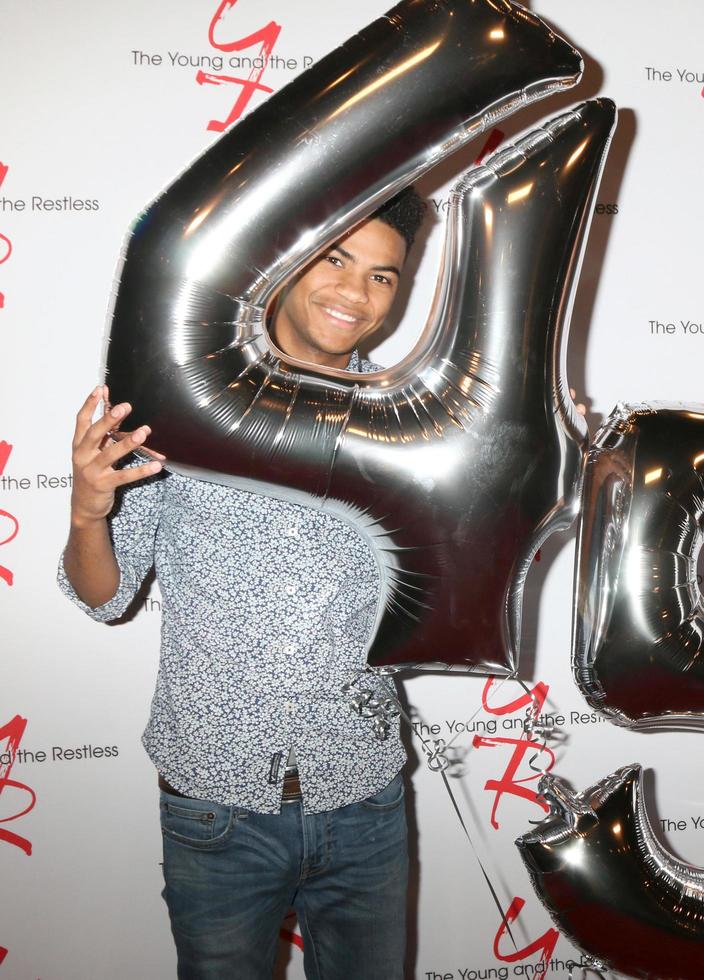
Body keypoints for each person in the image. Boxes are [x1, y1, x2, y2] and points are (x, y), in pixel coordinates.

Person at [59, 189, 428, 980]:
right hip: (214, 804)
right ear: (290, 260)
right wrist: (90, 511)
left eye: (382, 277)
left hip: (364, 794)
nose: (354, 294)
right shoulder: (181, 403)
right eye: (336, 260)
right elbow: (105, 596)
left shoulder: (413, 419)